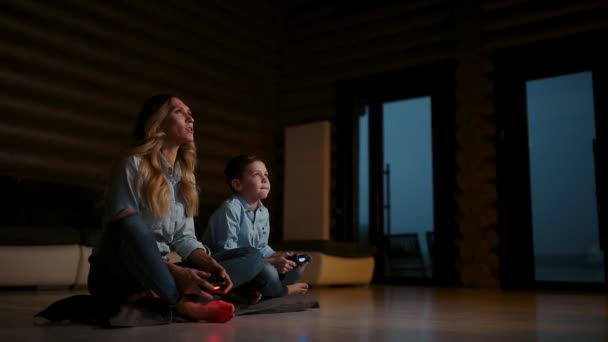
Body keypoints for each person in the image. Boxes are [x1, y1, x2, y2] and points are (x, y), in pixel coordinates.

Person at [87, 94, 265, 323]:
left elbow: (184, 237)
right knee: (132, 224)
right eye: (179, 111)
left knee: (253, 257)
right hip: (118, 272)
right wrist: (176, 272)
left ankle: (157, 293)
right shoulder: (133, 164)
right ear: (158, 122)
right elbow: (126, 236)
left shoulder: (186, 178)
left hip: (160, 271)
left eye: (190, 113)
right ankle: (181, 304)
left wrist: (211, 265)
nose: (190, 117)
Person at [203, 155, 310, 299]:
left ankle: (251, 292)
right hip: (228, 267)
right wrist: (271, 263)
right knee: (269, 272)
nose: (265, 179)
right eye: (257, 175)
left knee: (296, 269)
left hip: (255, 265)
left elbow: (261, 246)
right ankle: (282, 291)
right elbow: (228, 253)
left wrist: (278, 256)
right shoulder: (230, 209)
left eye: (266, 174)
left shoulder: (263, 211)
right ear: (237, 185)